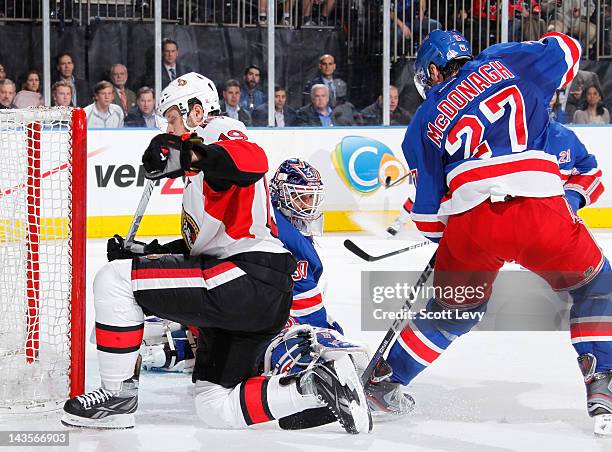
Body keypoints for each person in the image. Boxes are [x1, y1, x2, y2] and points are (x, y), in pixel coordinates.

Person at [61, 72, 371, 434]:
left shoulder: (217, 128)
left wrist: (189, 155)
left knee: (112, 280)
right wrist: (147, 253)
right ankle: (314, 387)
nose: (170, 130)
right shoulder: (199, 173)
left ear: (195, 111)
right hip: (251, 289)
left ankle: (116, 399)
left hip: (245, 277)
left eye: (173, 120)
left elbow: (251, 160)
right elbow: (205, 246)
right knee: (214, 405)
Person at [370, 29, 612, 436]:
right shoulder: (508, 59)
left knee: (455, 309)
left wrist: (454, 238)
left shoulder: (422, 123)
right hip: (540, 211)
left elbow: (429, 218)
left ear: (432, 68)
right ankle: (602, 380)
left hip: (471, 223)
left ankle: (386, 382)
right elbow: (569, 47)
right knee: (596, 285)